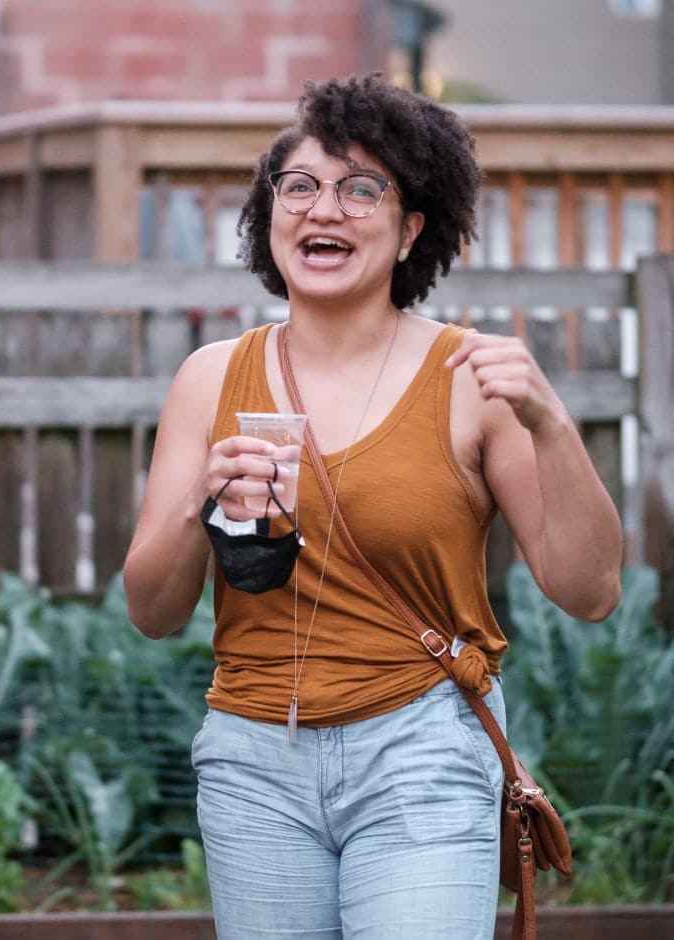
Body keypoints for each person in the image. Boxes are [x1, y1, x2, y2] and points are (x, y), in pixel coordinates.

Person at [123, 74, 622, 939]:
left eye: (363, 189)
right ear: (269, 212)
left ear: (409, 230)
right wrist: (200, 501)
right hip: (252, 759)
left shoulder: (472, 381)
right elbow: (152, 611)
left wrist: (550, 422)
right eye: (302, 186)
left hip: (422, 748)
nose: (326, 209)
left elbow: (590, 590)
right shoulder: (211, 378)